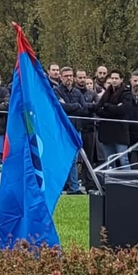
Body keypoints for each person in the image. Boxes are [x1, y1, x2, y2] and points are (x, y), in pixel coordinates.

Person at [55, 66, 90, 194]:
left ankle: (74, 187)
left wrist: (71, 107)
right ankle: (61, 186)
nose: (69, 78)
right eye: (66, 76)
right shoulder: (56, 91)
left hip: (76, 128)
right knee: (63, 158)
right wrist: (75, 106)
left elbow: (84, 109)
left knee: (74, 159)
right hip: (63, 130)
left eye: (70, 75)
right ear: (61, 77)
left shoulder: (77, 92)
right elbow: (60, 108)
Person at [94, 71, 132, 169]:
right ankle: (110, 182)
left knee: (123, 160)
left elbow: (123, 110)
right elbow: (98, 109)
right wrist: (113, 109)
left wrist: (107, 106)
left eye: (116, 78)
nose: (114, 80)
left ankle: (127, 183)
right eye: (112, 78)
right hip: (107, 132)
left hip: (120, 133)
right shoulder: (107, 92)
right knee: (109, 161)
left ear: (121, 79)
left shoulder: (126, 93)